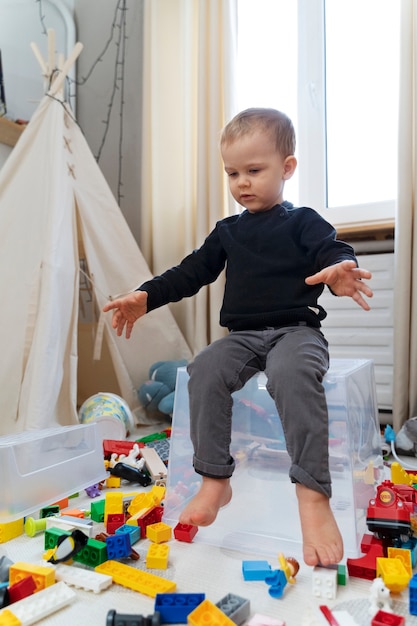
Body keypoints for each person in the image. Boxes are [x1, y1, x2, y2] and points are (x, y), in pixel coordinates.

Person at [103, 107, 373, 567]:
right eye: (232, 173)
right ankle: (215, 480)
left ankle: (312, 496)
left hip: (296, 332)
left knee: (290, 374)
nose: (242, 182)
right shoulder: (227, 232)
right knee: (204, 367)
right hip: (243, 337)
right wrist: (145, 297)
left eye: (254, 170)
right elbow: (190, 273)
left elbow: (331, 249)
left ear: (286, 168)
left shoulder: (303, 220)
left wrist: (339, 268)